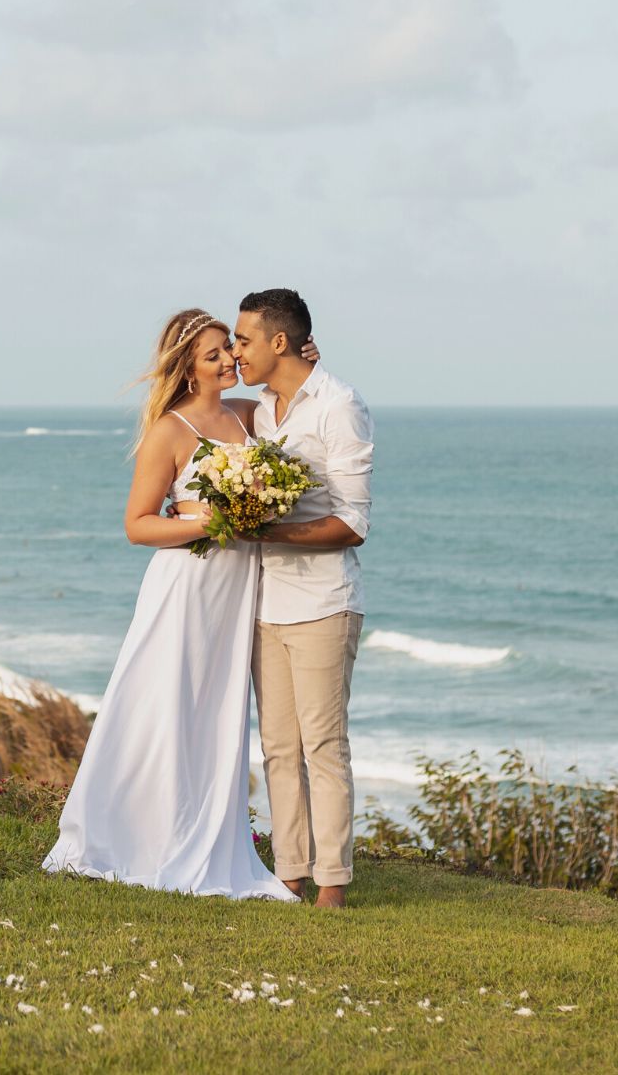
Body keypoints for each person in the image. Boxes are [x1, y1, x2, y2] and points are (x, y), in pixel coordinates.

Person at [41, 308, 314, 899]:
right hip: (185, 586)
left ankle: (206, 833)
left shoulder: (246, 416)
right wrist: (209, 521)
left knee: (215, 711)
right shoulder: (170, 429)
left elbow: (288, 397)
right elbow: (138, 526)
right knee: (164, 701)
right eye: (214, 353)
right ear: (189, 367)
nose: (228, 360)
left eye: (229, 350)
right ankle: (140, 833)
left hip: (235, 590)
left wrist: (303, 365)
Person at [231, 288, 372, 910]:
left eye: (242, 341)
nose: (235, 352)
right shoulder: (260, 411)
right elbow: (200, 404)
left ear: (278, 342)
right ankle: (288, 875)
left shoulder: (339, 406)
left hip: (323, 603)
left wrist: (268, 531)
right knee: (278, 748)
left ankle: (332, 885)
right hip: (265, 605)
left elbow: (353, 523)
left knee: (324, 746)